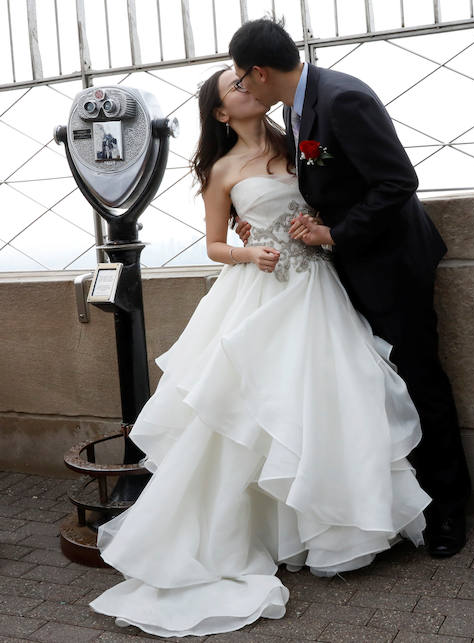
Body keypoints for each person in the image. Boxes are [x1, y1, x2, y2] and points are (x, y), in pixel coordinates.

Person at [88, 68, 431, 637]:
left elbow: (339, 190)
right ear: (222, 114)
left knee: (331, 397)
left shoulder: (300, 140)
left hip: (319, 285)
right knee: (254, 411)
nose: (246, 87)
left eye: (247, 80)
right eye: (233, 87)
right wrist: (254, 255)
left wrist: (319, 222)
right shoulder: (221, 170)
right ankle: (257, 533)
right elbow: (217, 244)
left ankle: (336, 525)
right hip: (263, 289)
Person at [228, 18, 470, 558]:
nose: (243, 89)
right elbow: (328, 180)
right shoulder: (298, 107)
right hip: (348, 266)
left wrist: (336, 233)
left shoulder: (343, 99)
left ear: (259, 72)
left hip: (392, 264)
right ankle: (396, 504)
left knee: (416, 378)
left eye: (242, 80)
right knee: (374, 384)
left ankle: (449, 508)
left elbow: (398, 182)